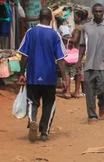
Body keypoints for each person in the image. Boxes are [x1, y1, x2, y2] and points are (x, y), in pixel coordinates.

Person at [17, 8, 67, 142]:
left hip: (33, 75)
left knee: (32, 102)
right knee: (49, 103)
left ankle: (33, 121)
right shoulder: (55, 35)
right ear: (51, 19)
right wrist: (65, 79)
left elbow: (24, 55)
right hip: (49, 76)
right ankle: (44, 131)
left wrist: (22, 74)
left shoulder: (30, 33)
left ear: (38, 18)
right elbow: (60, 59)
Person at [77, 3, 104, 124]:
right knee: (89, 92)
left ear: (103, 12)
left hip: (103, 65)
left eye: (100, 11)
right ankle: (92, 116)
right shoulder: (86, 28)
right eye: (96, 11)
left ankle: (102, 103)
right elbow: (82, 45)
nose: (98, 13)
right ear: (92, 13)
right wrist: (79, 61)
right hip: (89, 65)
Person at [68, 9, 86, 98]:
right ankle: (80, 91)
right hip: (83, 52)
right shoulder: (85, 26)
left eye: (75, 17)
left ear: (79, 18)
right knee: (80, 72)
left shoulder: (78, 28)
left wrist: (63, 38)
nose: (74, 19)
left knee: (77, 72)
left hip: (77, 53)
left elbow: (74, 40)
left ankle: (76, 91)